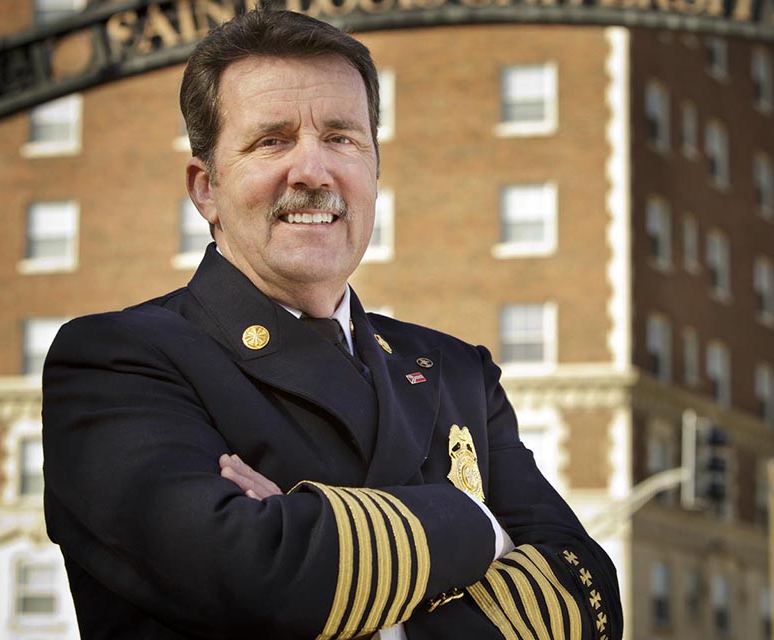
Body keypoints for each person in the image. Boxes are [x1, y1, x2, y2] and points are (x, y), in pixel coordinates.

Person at [42, 8, 621, 639]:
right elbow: (244, 574)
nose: (313, 172)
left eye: (342, 138)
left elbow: (587, 597)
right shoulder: (119, 360)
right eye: (272, 140)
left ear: (374, 170)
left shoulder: (458, 372)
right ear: (205, 188)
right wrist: (481, 526)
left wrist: (314, 541)